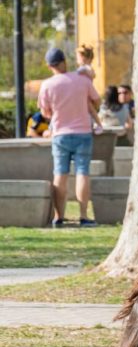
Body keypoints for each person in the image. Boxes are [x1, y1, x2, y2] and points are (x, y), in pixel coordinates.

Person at [37, 46, 102, 228]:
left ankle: (59, 216)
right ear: (64, 62)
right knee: (83, 173)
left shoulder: (47, 85)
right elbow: (96, 100)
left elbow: (45, 112)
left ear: (49, 66)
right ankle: (84, 216)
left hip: (60, 134)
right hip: (83, 132)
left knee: (60, 174)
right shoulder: (82, 80)